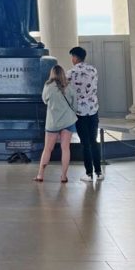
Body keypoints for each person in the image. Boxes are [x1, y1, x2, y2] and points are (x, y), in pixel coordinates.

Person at [34, 65, 76, 183]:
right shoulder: (69, 86)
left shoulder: (48, 86)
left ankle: (40, 175)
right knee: (65, 149)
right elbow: (75, 103)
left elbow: (44, 100)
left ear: (52, 73)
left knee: (47, 149)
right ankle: (63, 176)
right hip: (68, 120)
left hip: (53, 122)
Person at [68, 46, 103, 182]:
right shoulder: (93, 69)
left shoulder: (71, 72)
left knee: (85, 143)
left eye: (72, 57)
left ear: (76, 57)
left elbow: (65, 88)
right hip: (93, 109)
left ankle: (88, 173)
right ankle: (99, 172)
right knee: (94, 141)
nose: (72, 59)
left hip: (80, 112)